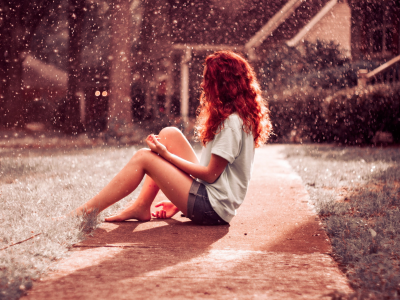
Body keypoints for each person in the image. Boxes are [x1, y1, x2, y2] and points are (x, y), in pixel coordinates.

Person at [75, 50, 272, 225]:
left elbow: (211, 174)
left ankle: (87, 211)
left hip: (212, 209)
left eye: (207, 80)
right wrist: (177, 202)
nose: (202, 85)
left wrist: (166, 156)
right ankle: (142, 206)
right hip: (212, 200)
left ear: (224, 85)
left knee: (144, 157)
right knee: (169, 134)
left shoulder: (231, 123)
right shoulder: (238, 117)